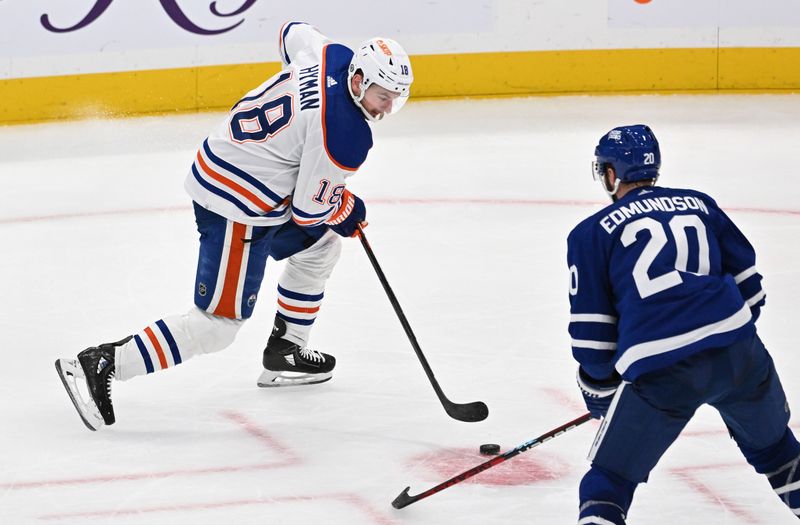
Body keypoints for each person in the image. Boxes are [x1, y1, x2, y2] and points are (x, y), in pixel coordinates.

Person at [55, 22, 414, 431]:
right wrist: (344, 206)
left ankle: (286, 349)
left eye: (394, 99)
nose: (385, 108)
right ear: (359, 79)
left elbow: (291, 31)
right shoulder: (346, 134)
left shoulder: (330, 54)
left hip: (228, 161)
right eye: (382, 96)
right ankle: (103, 362)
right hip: (236, 205)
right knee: (218, 325)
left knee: (321, 246)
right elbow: (309, 211)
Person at [568, 125, 799, 523]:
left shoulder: (590, 233)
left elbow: (593, 344)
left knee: (607, 481)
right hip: (740, 352)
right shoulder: (701, 205)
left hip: (661, 372)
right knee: (781, 455)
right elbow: (752, 292)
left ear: (611, 174)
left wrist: (599, 389)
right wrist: (722, 340)